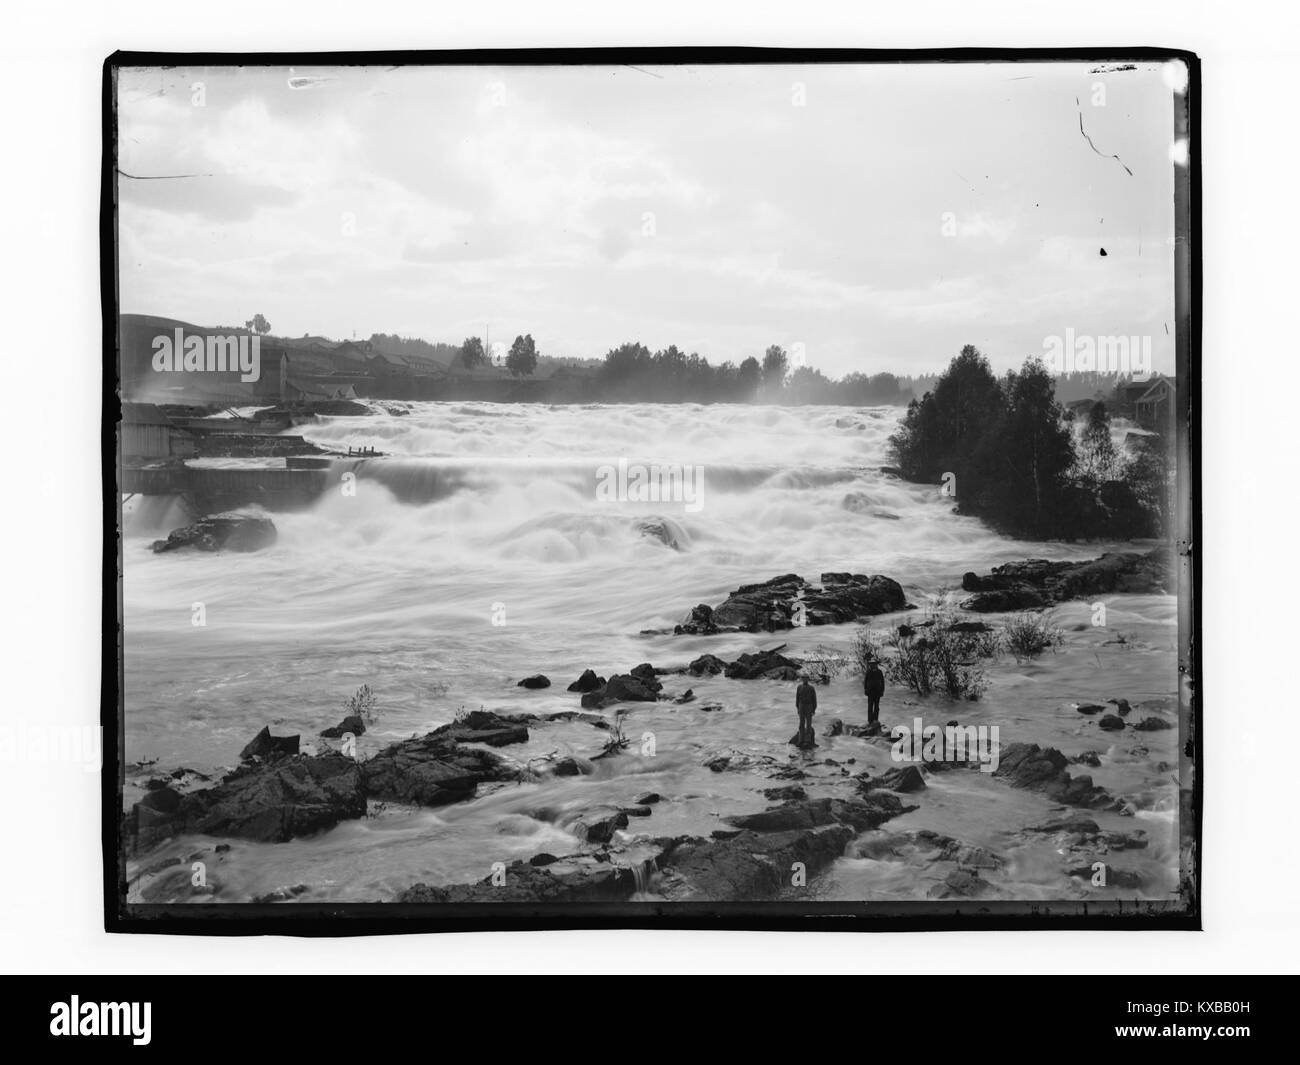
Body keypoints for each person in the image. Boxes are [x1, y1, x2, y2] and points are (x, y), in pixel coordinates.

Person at [795, 675, 817, 747]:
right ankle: (800, 740)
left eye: (806, 678)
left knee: (808, 724)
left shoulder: (811, 688)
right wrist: (798, 708)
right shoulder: (799, 687)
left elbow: (814, 699)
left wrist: (814, 709)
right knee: (801, 723)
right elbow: (797, 698)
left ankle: (808, 740)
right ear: (802, 679)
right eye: (803, 678)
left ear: (808, 679)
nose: (805, 679)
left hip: (809, 706)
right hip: (801, 706)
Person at [863, 660, 885, 724]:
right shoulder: (868, 672)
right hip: (870, 692)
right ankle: (870, 720)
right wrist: (865, 689)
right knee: (870, 706)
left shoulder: (879, 672)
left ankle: (875, 719)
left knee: (876, 707)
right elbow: (865, 681)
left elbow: (882, 682)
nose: (873, 666)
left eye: (874, 664)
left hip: (877, 692)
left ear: (876, 665)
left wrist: (882, 690)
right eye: (872, 664)